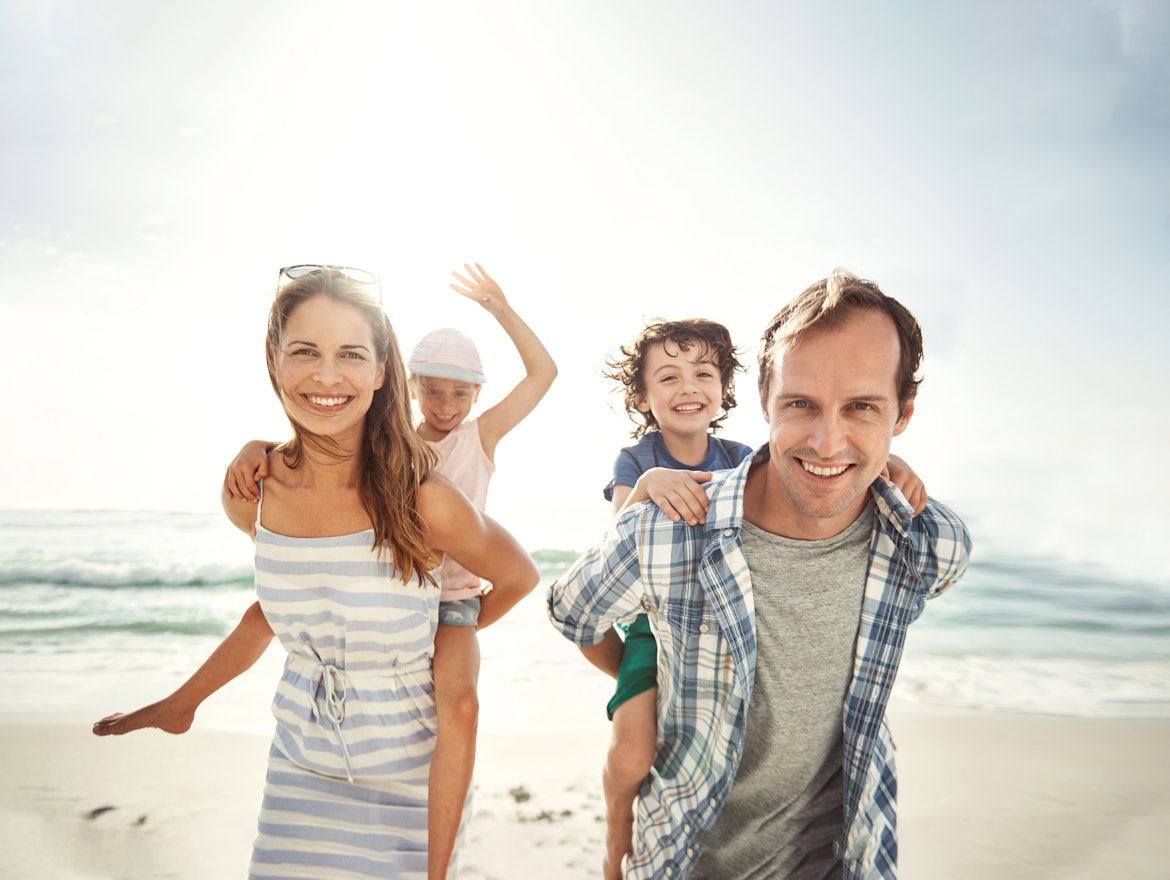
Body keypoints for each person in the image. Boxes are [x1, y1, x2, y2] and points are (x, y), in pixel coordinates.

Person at [94, 264, 541, 880]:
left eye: (351, 354)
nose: (327, 376)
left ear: (381, 371)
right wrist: (182, 700)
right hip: (298, 767)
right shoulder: (250, 495)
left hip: (412, 780)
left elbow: (518, 577)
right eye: (305, 351)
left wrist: (443, 632)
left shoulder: (424, 497)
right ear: (274, 360)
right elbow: (279, 609)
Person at [548, 269, 971, 879]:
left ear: (901, 414)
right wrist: (657, 676)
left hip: (846, 861)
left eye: (862, 407)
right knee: (630, 752)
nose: (826, 441)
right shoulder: (663, 526)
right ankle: (616, 838)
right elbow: (573, 611)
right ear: (765, 398)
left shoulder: (927, 543)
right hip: (682, 859)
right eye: (801, 404)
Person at [218, 262, 557, 876]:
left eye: (461, 393)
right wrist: (255, 448)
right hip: (387, 595)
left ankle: (437, 865)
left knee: (459, 707)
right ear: (410, 385)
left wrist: (500, 308)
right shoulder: (392, 443)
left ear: (477, 396)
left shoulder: (479, 438)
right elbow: (322, 441)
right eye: (435, 390)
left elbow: (543, 376)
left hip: (451, 604)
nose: (447, 404)